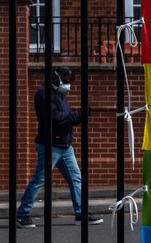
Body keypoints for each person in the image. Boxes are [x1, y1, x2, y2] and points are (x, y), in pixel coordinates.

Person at [16, 66, 103, 228]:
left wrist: (80, 115)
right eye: (67, 80)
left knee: (75, 178)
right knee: (39, 179)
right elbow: (56, 118)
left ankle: (80, 213)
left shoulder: (60, 94)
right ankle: (21, 214)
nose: (69, 84)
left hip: (64, 145)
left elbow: (67, 117)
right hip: (50, 145)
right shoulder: (43, 94)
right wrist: (78, 115)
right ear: (56, 79)